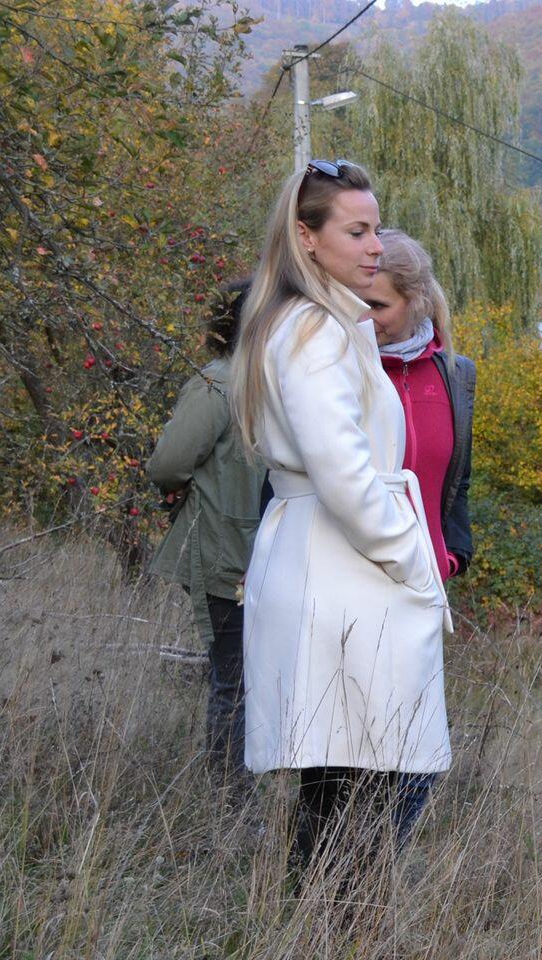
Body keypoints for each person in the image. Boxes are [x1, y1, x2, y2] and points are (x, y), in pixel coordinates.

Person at [228, 159, 451, 877]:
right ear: (307, 237)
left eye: (376, 228)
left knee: (342, 789)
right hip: (339, 572)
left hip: (331, 564)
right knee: (356, 789)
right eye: (357, 230)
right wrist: (411, 560)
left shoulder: (314, 325)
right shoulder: (315, 332)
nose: (375, 246)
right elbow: (345, 474)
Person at [145, 278, 266, 779]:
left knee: (252, 682)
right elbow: (168, 463)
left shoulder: (285, 383)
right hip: (224, 558)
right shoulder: (220, 382)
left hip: (271, 559)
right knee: (234, 684)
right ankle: (228, 807)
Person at [358, 229, 476, 582]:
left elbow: (459, 479)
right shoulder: (338, 368)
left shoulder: (456, 373)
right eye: (356, 303)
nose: (364, 318)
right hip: (351, 574)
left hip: (426, 579)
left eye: (378, 306)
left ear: (417, 301)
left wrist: (452, 555)